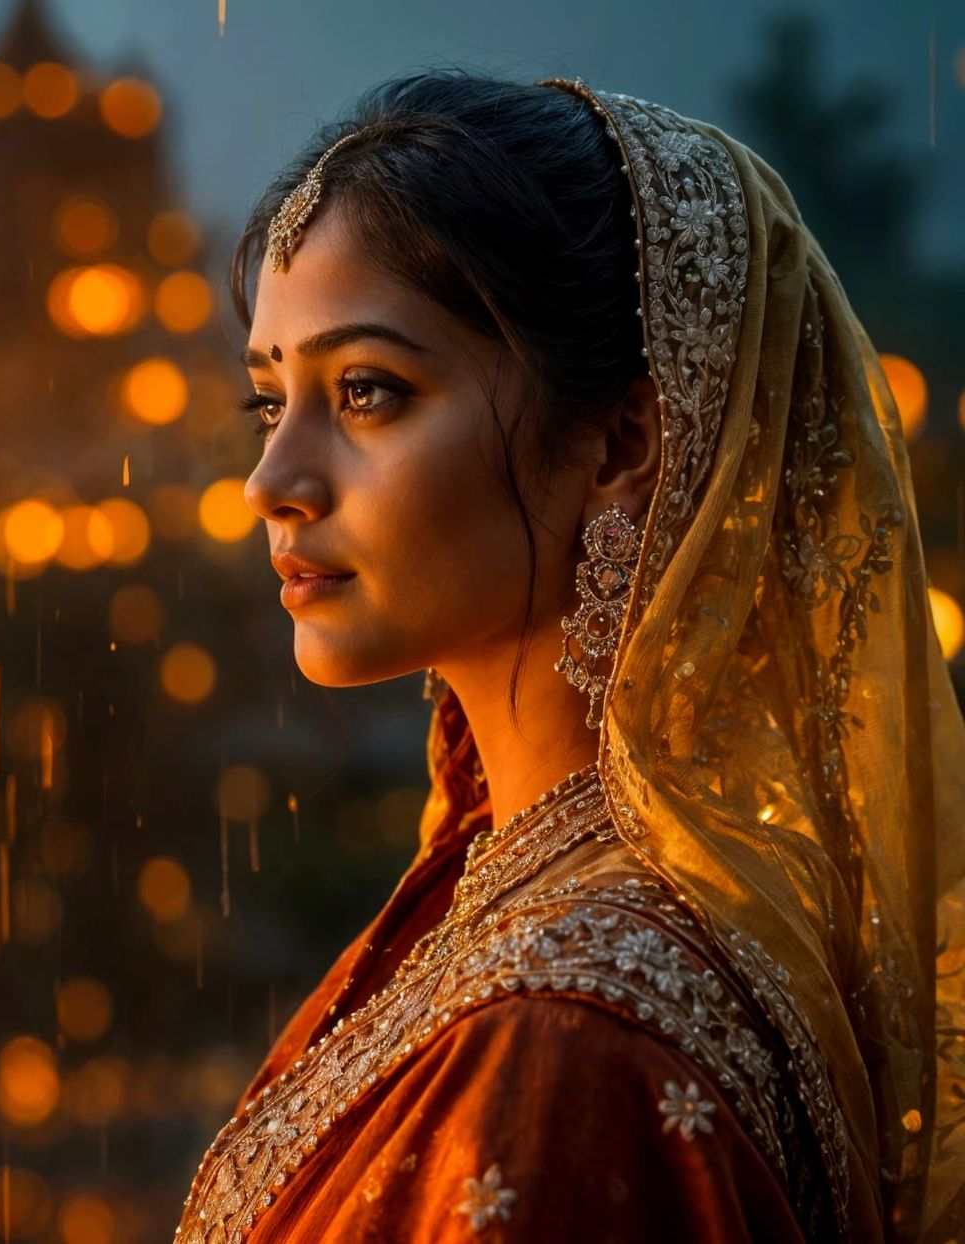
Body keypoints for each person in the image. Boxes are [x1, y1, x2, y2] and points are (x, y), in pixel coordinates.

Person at [171, 69, 965, 1242]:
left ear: (618, 444)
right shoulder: (497, 896)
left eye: (367, 392)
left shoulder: (571, 1047)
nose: (271, 483)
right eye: (268, 402)